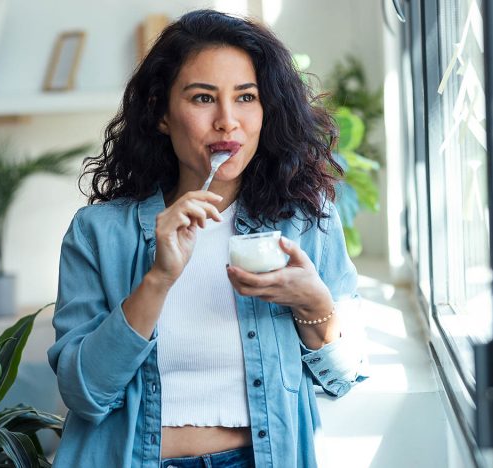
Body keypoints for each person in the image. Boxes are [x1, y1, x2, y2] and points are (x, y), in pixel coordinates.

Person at [48, 9, 368, 468]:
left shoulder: (304, 222)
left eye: (246, 97)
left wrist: (316, 306)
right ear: (162, 113)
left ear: (266, 110)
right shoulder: (98, 233)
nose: (227, 121)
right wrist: (158, 279)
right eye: (202, 98)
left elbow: (344, 376)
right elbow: (84, 394)